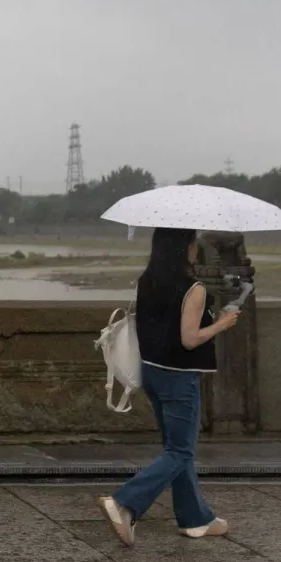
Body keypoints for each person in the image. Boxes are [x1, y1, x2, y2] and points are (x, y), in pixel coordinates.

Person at [99, 227, 240, 545]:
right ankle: (124, 502)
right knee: (180, 449)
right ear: (184, 248)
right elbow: (190, 339)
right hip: (179, 376)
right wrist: (221, 323)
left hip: (151, 372)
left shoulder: (146, 281)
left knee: (178, 449)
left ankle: (195, 519)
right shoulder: (194, 288)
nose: (195, 248)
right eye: (193, 243)